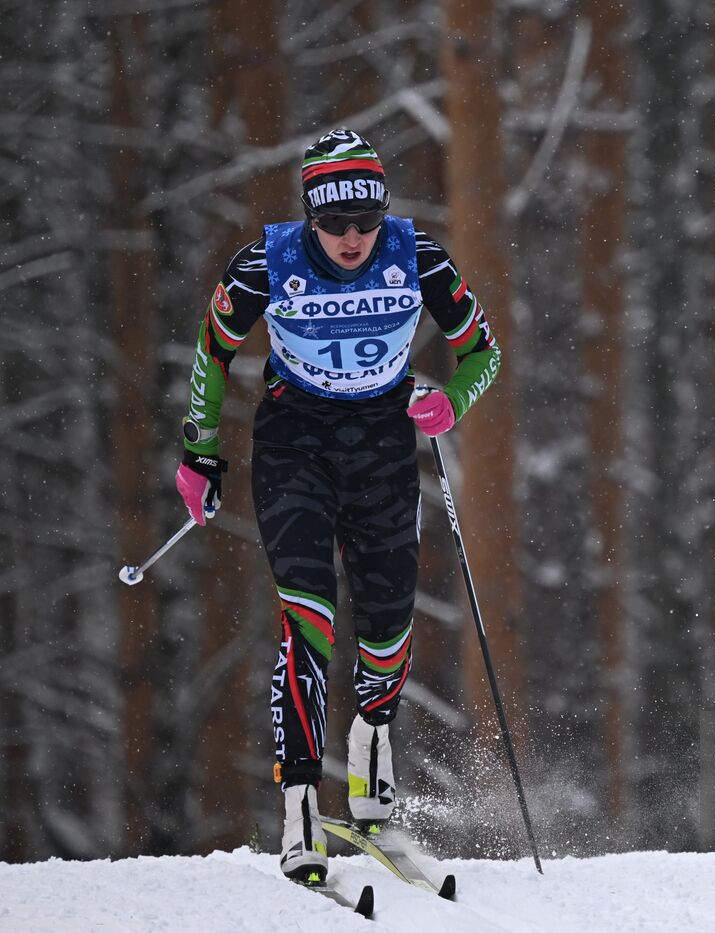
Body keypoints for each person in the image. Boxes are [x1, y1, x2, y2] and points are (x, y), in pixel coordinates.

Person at [176, 128, 501, 883]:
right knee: (310, 617)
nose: (352, 240)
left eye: (365, 223)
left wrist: (450, 402)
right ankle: (298, 810)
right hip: (295, 445)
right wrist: (198, 450)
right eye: (334, 224)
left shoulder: (418, 257)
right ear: (310, 217)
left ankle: (373, 800)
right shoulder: (268, 262)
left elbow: (484, 349)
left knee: (387, 627)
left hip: (384, 445)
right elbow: (212, 348)